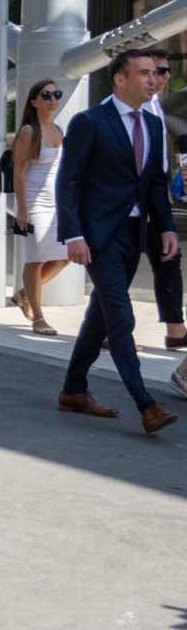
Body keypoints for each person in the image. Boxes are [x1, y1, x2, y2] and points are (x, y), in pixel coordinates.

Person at [56, 49, 180, 435]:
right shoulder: (90, 121)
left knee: (100, 316)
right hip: (98, 237)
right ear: (119, 79)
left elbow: (155, 185)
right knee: (121, 317)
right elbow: (69, 182)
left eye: (154, 74)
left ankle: (73, 390)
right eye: (143, 73)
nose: (152, 80)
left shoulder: (154, 125)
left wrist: (167, 228)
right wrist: (73, 234)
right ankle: (147, 404)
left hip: (134, 234)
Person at [12, 79, 70, 336]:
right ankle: (38, 317)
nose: (52, 98)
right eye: (46, 94)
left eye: (56, 94)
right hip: (33, 204)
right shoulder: (27, 131)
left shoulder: (58, 128)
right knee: (35, 260)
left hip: (56, 205)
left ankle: (24, 294)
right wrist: (22, 210)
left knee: (67, 255)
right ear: (34, 101)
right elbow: (19, 173)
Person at [142, 51, 187, 350]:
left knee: (169, 258)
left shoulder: (157, 107)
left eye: (166, 71)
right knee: (121, 265)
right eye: (158, 71)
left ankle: (176, 330)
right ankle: (108, 331)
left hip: (156, 198)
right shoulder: (126, 111)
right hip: (135, 201)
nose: (164, 76)